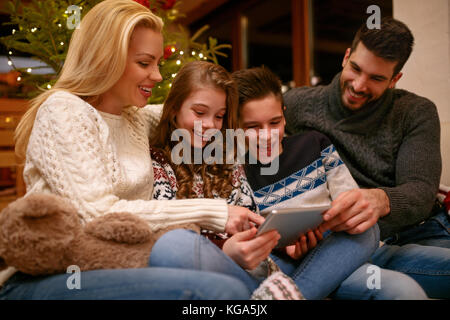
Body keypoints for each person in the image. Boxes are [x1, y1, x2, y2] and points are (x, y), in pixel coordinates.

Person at [0, 0, 256, 300]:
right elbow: (97, 214)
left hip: (117, 263)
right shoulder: (64, 111)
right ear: (106, 59)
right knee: (217, 290)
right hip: (52, 275)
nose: (158, 76)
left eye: (158, 63)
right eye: (145, 63)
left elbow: (194, 112)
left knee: (206, 268)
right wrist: (215, 211)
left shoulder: (133, 117)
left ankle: (277, 292)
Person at [147, 62, 381, 299]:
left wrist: (281, 244)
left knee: (366, 228)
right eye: (199, 112)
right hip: (226, 268)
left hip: (267, 266)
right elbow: (166, 227)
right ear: (174, 108)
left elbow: (254, 221)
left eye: (219, 116)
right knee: (174, 246)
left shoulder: (228, 160)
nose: (209, 125)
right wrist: (227, 250)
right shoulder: (158, 162)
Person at [283, 17, 450, 299]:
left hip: (418, 232)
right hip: (347, 243)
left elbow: (421, 192)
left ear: (395, 79)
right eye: (356, 69)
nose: (359, 86)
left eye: (376, 78)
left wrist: (380, 200)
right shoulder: (296, 106)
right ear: (346, 56)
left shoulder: (415, 112)